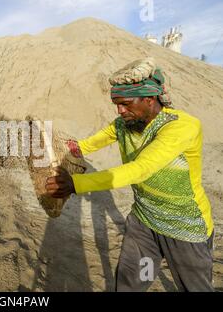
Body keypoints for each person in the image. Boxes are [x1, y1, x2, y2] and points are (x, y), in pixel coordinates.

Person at [45, 58, 214, 292]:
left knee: (195, 288)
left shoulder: (182, 127)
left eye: (125, 103)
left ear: (149, 99)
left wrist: (76, 183)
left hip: (185, 227)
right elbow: (88, 145)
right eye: (116, 104)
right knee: (130, 283)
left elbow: (140, 169)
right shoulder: (124, 124)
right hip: (144, 222)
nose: (120, 110)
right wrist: (61, 148)